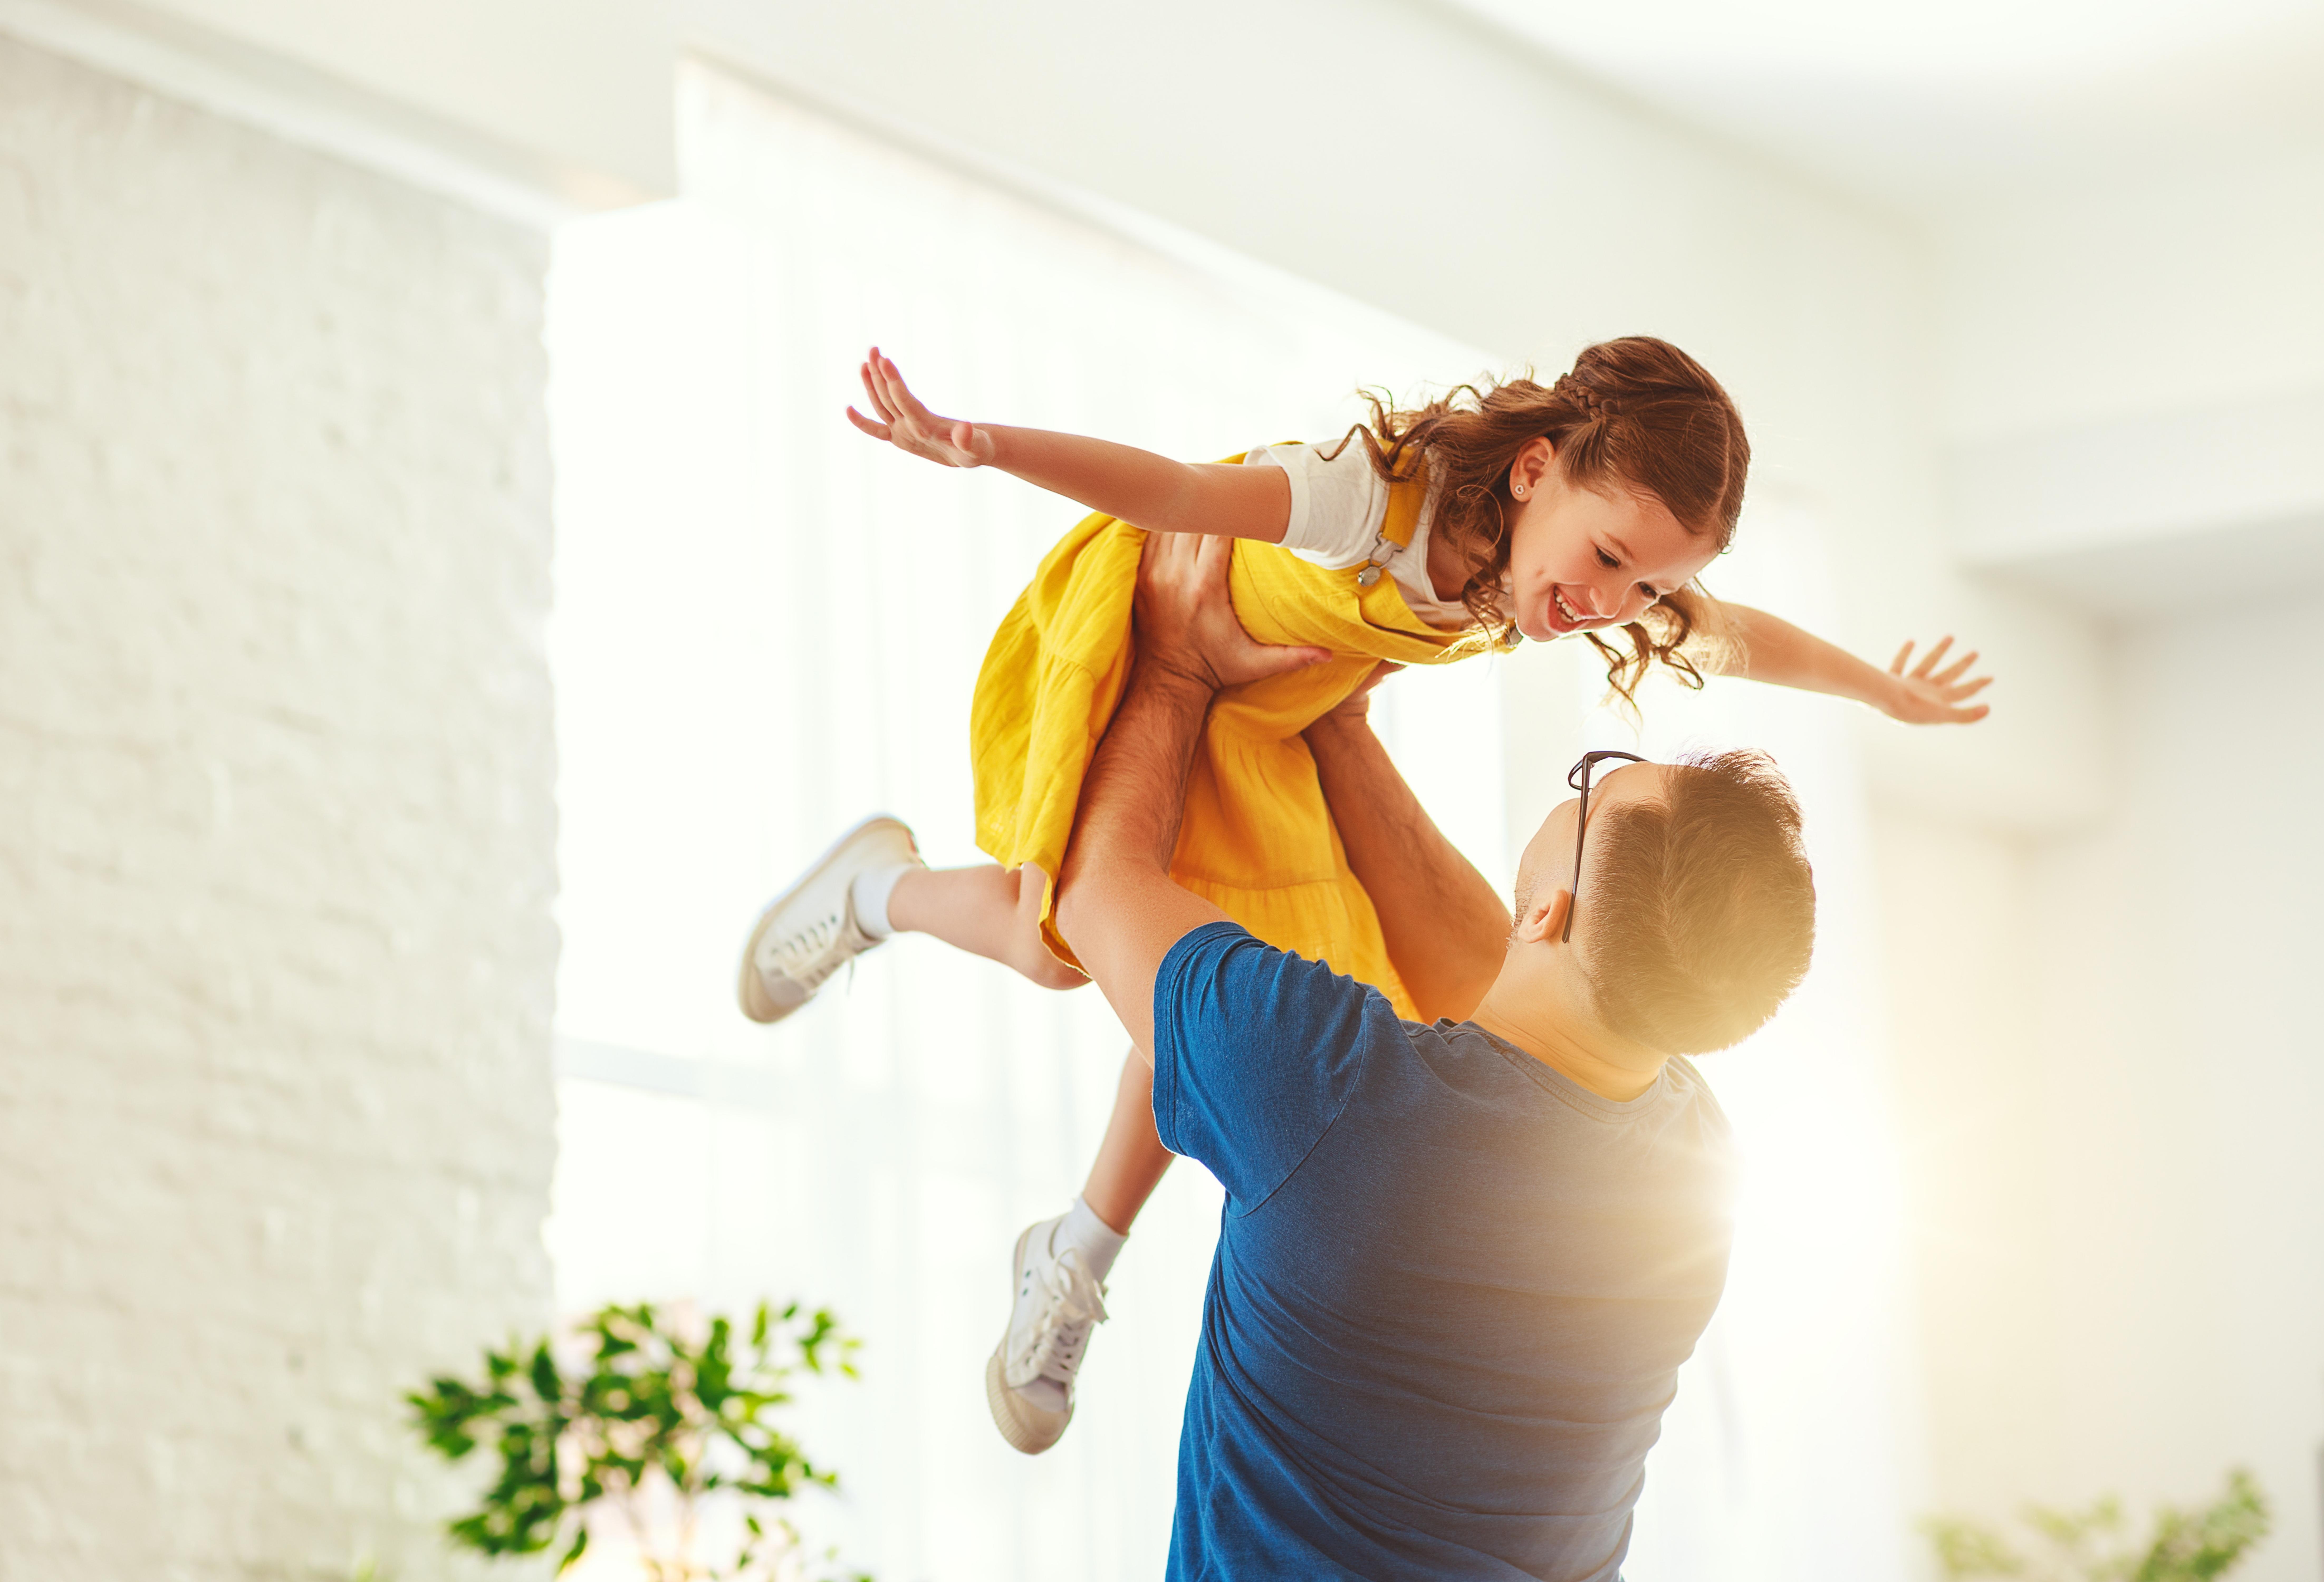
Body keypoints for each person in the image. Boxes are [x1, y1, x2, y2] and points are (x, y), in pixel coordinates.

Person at [736, 337, 1981, 1452]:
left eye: (1648, 588)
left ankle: (1075, 1252)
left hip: (1267, 707)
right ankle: (875, 893)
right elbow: (1177, 494)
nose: (1614, 605)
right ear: (1535, 468)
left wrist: (1881, 690)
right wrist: (982, 447)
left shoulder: (1575, 579)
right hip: (1158, 624)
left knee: (1211, 983)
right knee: (1052, 940)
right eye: (1609, 559)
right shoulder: (1380, 498)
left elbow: (1737, 637)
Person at [1055, 530, 1815, 1577]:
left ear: (1549, 906)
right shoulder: (1690, 1172)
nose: (1581, 783)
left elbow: (1098, 891)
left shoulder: (1330, 1092)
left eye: (1600, 783)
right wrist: (1341, 726)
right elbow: (1494, 979)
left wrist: (1180, 667)